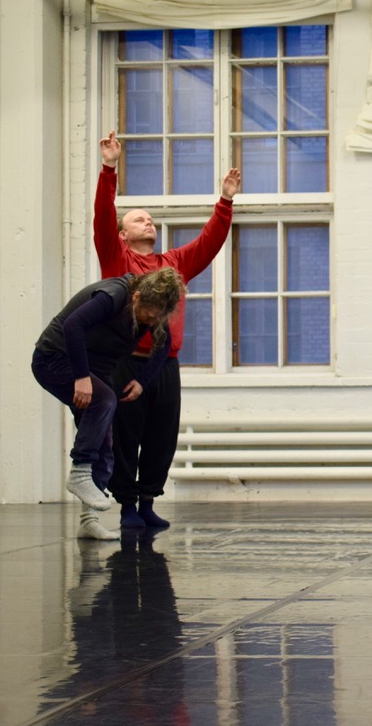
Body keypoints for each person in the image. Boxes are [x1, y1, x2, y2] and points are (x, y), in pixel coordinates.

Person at [93, 131, 241, 534]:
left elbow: (209, 244)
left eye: (151, 219)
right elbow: (102, 219)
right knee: (126, 435)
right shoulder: (116, 258)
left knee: (160, 437)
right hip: (125, 362)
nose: (149, 222)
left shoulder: (173, 263)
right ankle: (125, 506)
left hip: (164, 364)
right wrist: (109, 169)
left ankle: (147, 502)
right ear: (124, 234)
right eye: (139, 218)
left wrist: (225, 201)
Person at [32, 268, 186, 539]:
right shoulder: (114, 294)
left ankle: (88, 520)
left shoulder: (153, 313)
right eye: (147, 312)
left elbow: (163, 345)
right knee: (104, 400)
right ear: (137, 296)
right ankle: (80, 471)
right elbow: (73, 326)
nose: (149, 320)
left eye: (156, 315)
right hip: (53, 359)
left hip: (92, 371)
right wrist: (80, 377)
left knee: (105, 444)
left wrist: (142, 381)